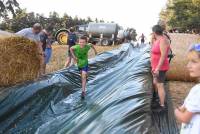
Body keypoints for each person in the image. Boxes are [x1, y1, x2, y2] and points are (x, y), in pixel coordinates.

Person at [174, 44, 200, 134]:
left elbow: (184, 118)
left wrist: (175, 111)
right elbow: (185, 108)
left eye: (194, 61)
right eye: (189, 61)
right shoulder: (196, 89)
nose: (188, 65)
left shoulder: (198, 91)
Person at [151, 25, 171, 111]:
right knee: (155, 82)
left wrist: (158, 68)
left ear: (155, 32)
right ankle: (157, 99)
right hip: (155, 66)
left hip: (160, 67)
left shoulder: (163, 40)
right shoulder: (157, 40)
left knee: (160, 85)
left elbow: (163, 56)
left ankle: (162, 105)